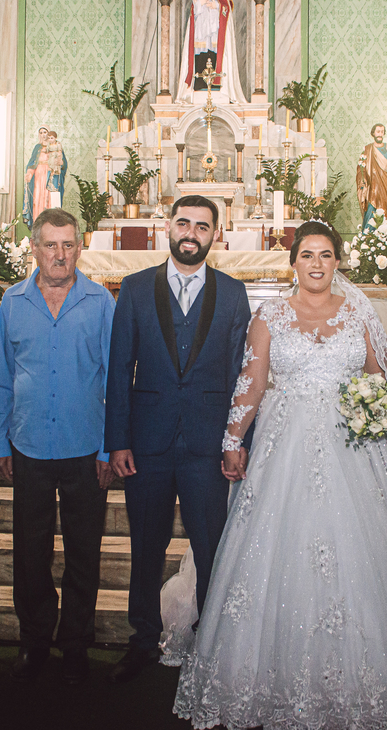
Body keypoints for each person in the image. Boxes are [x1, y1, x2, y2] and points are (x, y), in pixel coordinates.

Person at [173, 221, 387, 730]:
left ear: (338, 262)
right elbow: (252, 381)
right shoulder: (270, 314)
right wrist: (232, 440)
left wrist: (376, 412)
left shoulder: (359, 312)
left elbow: (381, 380)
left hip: (351, 447)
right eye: (307, 255)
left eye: (325, 255)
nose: (316, 264)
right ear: (293, 262)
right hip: (284, 447)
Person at [104, 195, 252, 683]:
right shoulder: (134, 288)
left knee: (211, 548)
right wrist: (118, 440)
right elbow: (119, 368)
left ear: (216, 235)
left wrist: (236, 440)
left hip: (207, 446)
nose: (192, 233)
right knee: (146, 547)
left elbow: (241, 373)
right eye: (184, 223)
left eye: (202, 226)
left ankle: (211, 644)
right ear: (168, 227)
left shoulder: (232, 293)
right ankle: (143, 640)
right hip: (147, 443)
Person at [0, 208, 116, 685]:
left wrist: (109, 448)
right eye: (50, 245)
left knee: (84, 550)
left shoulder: (101, 302)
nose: (59, 255)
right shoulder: (13, 301)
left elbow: (115, 380)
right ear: (35, 248)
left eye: (67, 245)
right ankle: (35, 639)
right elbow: (1, 374)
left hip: (86, 447)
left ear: (79, 247)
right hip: (29, 444)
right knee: (30, 551)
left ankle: (76, 641)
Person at [177, 0, 247, 104]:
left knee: (215, 56)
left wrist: (217, 6)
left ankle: (217, 85)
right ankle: (199, 85)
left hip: (216, 35)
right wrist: (201, 3)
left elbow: (226, 11)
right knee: (201, 57)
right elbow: (194, 14)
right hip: (202, 34)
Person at [356, 123, 387, 228]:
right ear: (373, 133)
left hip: (386, 186)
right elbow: (361, 168)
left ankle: (385, 235)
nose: (380, 134)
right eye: (378, 131)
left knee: (385, 212)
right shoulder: (368, 150)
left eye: (382, 132)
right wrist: (362, 178)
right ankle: (368, 235)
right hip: (371, 188)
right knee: (371, 211)